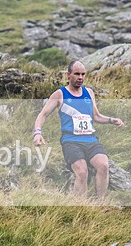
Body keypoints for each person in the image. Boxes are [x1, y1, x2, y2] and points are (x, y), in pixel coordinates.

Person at [33, 60, 124, 201]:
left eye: (83, 74)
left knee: (104, 165)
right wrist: (37, 133)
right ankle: (80, 206)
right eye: (77, 74)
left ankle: (100, 203)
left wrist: (112, 120)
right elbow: (43, 114)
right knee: (82, 172)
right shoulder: (60, 94)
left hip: (90, 140)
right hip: (71, 141)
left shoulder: (89, 93)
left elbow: (96, 116)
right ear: (68, 75)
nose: (80, 77)